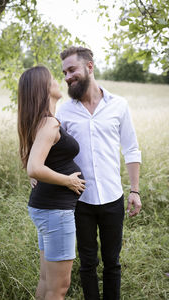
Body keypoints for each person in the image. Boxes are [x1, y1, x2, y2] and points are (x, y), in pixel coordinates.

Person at [55, 46, 142, 300]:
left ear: (89, 67)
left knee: (113, 263)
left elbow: (131, 148)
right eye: (64, 72)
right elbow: (51, 146)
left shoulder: (119, 106)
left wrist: (134, 190)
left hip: (113, 199)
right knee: (87, 263)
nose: (68, 76)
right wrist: (35, 168)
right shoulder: (65, 110)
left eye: (72, 69)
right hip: (80, 200)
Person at [17, 65, 86, 300]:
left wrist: (38, 175)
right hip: (55, 211)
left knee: (47, 281)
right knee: (59, 288)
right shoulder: (48, 124)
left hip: (46, 209)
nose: (58, 81)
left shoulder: (40, 122)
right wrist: (67, 181)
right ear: (44, 88)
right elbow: (34, 167)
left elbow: (34, 163)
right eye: (52, 79)